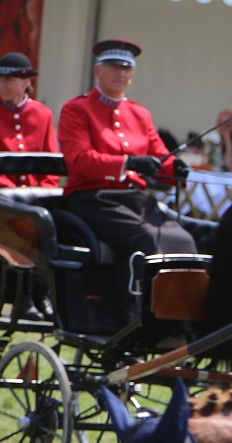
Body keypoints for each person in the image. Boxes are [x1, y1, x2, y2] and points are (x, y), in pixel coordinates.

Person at [58, 39, 196, 318]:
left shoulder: (139, 113)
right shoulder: (77, 109)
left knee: (182, 239)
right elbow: (79, 160)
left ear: (132, 75)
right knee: (144, 236)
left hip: (133, 200)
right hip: (92, 200)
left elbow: (159, 156)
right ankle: (138, 312)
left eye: (126, 69)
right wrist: (129, 162)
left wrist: (174, 169)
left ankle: (180, 315)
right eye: (113, 67)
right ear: (98, 70)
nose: (120, 73)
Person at [0, 51, 58, 188]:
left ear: (26, 81)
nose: (2, 84)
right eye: (0, 79)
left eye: (8, 79)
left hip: (33, 199)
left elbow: (51, 163)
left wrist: (44, 192)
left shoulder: (43, 114)